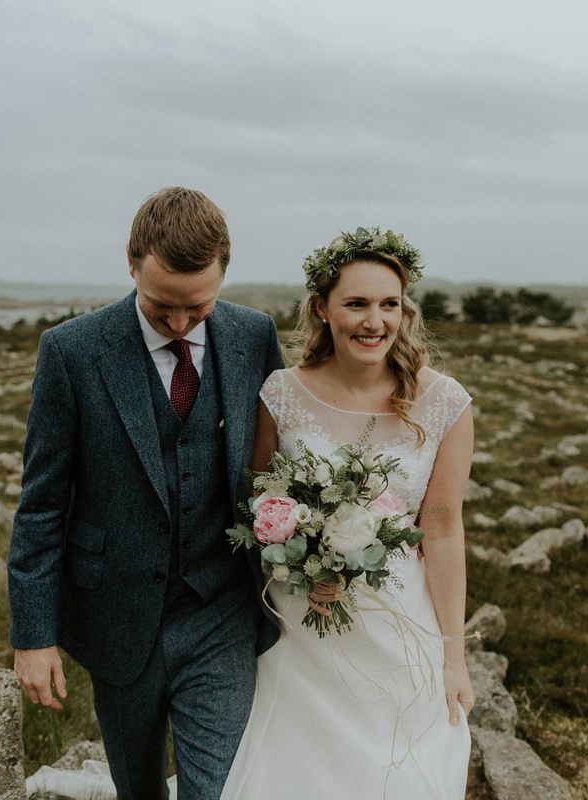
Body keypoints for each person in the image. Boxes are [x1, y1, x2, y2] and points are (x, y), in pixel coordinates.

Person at [8, 187, 284, 800]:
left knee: (213, 791)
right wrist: (32, 633)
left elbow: (278, 465)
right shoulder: (72, 351)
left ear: (223, 276)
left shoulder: (253, 336)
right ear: (131, 264)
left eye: (199, 308)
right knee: (138, 789)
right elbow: (43, 504)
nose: (181, 322)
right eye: (162, 308)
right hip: (114, 614)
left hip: (221, 611)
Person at [220, 228, 476, 799]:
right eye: (356, 304)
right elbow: (262, 503)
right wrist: (302, 565)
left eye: (389, 304)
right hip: (300, 628)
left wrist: (453, 657)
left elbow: (442, 529)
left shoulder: (444, 405)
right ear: (322, 309)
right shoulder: (281, 393)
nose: (374, 321)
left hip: (395, 624)